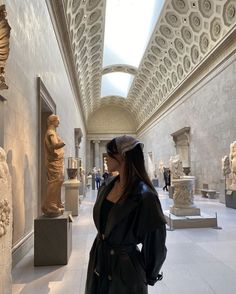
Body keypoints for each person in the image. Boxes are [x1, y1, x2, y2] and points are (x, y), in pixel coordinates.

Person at [85, 135, 167, 294]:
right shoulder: (107, 185)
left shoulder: (145, 195)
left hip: (125, 271)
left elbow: (155, 242)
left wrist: (149, 274)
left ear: (123, 156)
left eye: (110, 154)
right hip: (99, 261)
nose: (106, 158)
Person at [42, 114, 65, 217]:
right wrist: (62, 143)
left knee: (58, 181)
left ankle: (55, 203)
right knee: (54, 182)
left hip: (56, 162)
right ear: (53, 122)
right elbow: (55, 145)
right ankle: (51, 205)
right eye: (58, 121)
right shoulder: (51, 133)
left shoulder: (53, 132)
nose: (59, 123)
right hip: (53, 163)